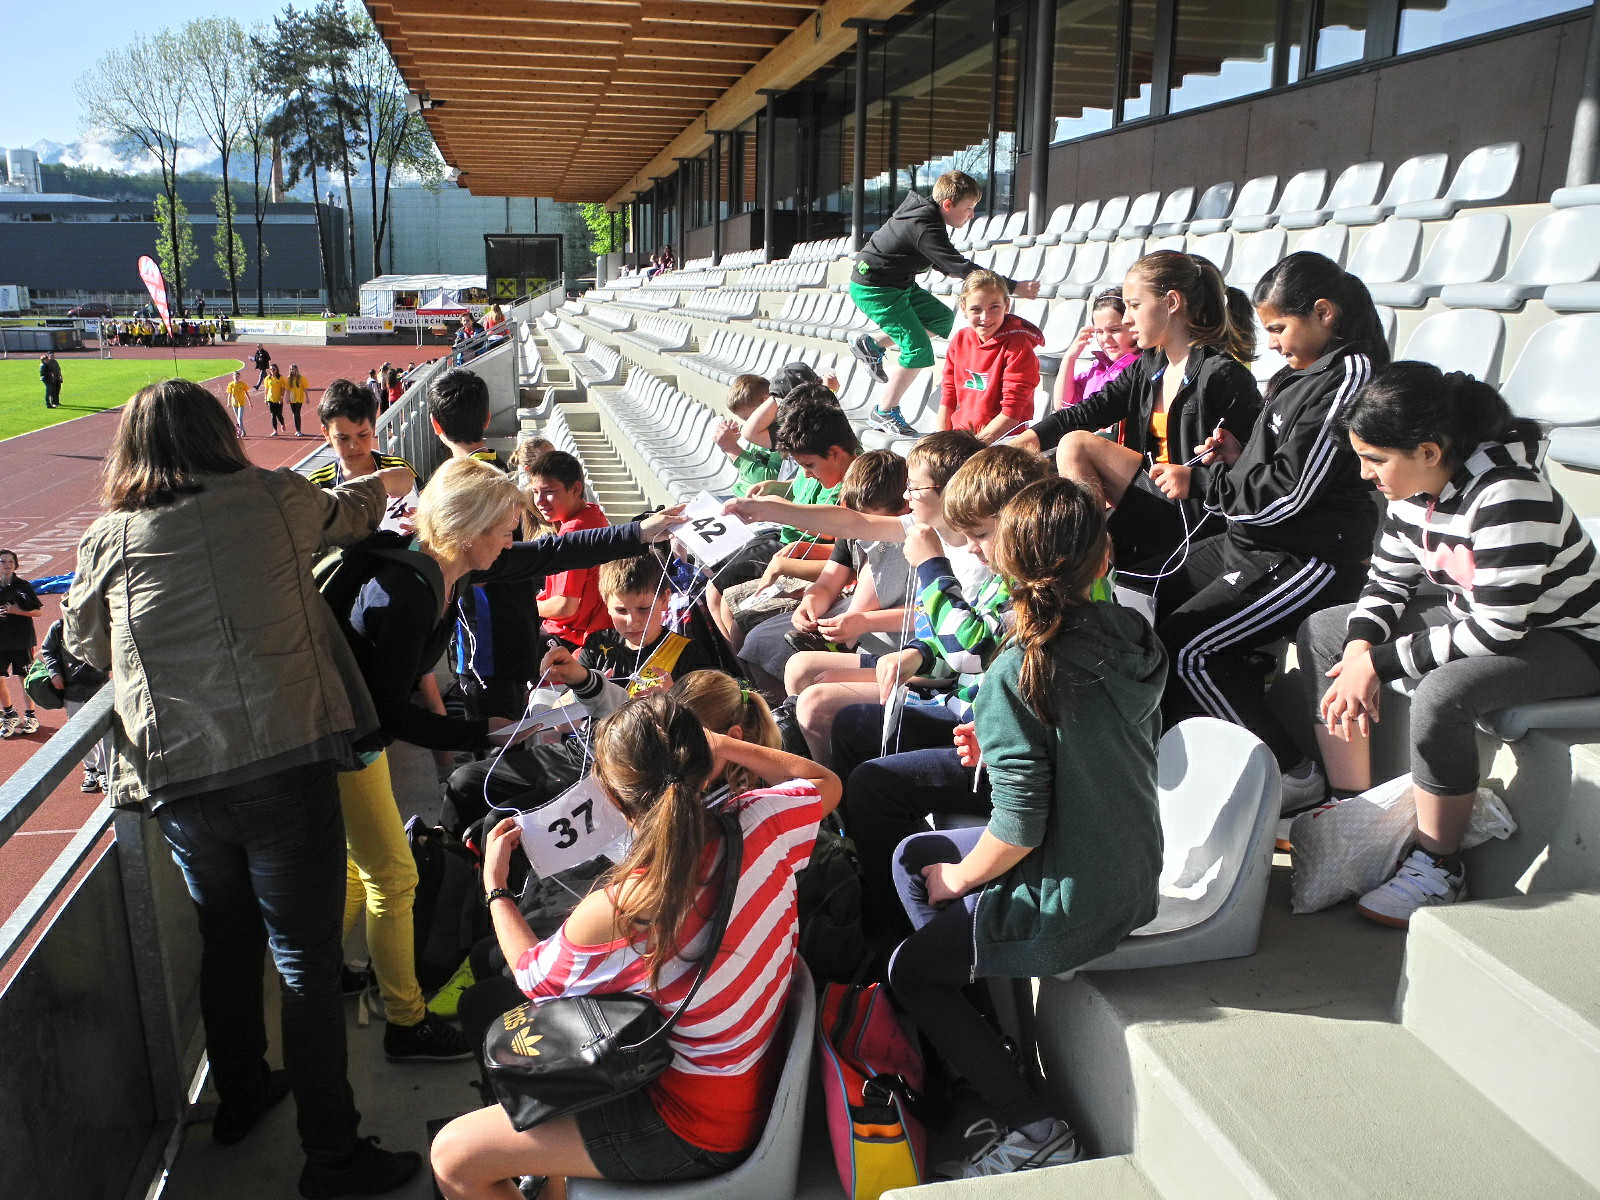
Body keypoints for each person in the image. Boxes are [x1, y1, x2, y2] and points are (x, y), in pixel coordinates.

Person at [61, 378, 422, 1198]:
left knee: (226, 940)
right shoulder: (274, 496)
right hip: (287, 759)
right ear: (220, 434)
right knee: (306, 963)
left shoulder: (108, 537)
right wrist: (386, 479)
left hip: (181, 779)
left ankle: (242, 1094)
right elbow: (354, 513)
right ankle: (332, 1156)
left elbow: (84, 646)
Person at [326, 457, 684, 1063]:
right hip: (347, 743)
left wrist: (641, 532)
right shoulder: (408, 595)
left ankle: (329, 966)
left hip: (351, 737)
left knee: (364, 865)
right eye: (504, 530)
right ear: (470, 531)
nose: (513, 541)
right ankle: (406, 1023)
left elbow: (550, 554)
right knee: (392, 878)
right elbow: (387, 714)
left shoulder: (453, 562)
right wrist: (482, 733)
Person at [428, 689, 840, 1200]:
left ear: (614, 799)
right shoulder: (764, 820)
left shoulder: (623, 907)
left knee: (453, 1156)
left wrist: (495, 887)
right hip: (752, 1078)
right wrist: (725, 746)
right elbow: (826, 783)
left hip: (697, 1128)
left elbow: (532, 977)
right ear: (703, 763)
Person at [886, 475, 1163, 1179]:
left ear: (1004, 564)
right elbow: (1089, 745)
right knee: (913, 855)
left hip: (1076, 898)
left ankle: (1030, 1123)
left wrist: (957, 880)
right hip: (1132, 872)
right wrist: (1003, 742)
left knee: (911, 970)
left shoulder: (1020, 670)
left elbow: (1018, 830)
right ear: (1104, 560)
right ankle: (991, 1038)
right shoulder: (1131, 635)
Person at [1299, 363, 1600, 928]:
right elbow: (1386, 584)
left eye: (1375, 459)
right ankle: (1354, 811)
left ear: (1429, 452)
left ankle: (1439, 864)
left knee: (1443, 693)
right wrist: (1360, 649)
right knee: (1326, 632)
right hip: (1487, 618)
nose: (1365, 473)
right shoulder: (1413, 491)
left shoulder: (1510, 495)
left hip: (1570, 639)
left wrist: (1378, 664)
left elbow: (1498, 629)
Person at [1153, 251, 1388, 797]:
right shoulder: (1300, 373)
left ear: (1324, 313)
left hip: (1305, 557)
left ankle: (1291, 774)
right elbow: (1281, 465)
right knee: (1145, 596)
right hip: (1250, 541)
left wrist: (1201, 483)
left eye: (1280, 328)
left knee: (1188, 651)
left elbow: (1291, 495)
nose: (1274, 344)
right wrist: (1238, 456)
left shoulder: (1348, 376)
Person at [440, 552, 721, 842]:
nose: (632, 621)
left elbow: (707, 730)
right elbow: (562, 723)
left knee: (501, 821)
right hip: (578, 753)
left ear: (664, 600)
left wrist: (673, 701)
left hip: (627, 769)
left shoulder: (688, 653)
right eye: (621, 610)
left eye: (643, 609)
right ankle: (441, 853)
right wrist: (577, 692)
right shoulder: (599, 643)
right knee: (463, 781)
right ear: (605, 603)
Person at [1012, 249, 1260, 575]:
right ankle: (1091, 556)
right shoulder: (1149, 365)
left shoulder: (1225, 376)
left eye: (1134, 305)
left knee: (1076, 445)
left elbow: (1253, 470)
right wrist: (1020, 444)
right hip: (1156, 499)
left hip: (1197, 517)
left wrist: (1198, 480)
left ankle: (1089, 563)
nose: (1127, 318)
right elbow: (1088, 411)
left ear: (1172, 302)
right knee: (1055, 457)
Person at [849, 171, 1041, 438]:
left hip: (897, 284)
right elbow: (958, 266)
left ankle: (873, 344)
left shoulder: (927, 217)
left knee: (941, 318)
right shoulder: (924, 226)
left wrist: (946, 266)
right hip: (877, 289)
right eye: (968, 208)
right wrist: (1014, 287)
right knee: (918, 351)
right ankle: (884, 411)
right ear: (948, 204)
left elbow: (934, 256)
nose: (971, 215)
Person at [736, 450, 912, 699]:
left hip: (892, 639)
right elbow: (828, 583)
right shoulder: (853, 533)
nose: (865, 529)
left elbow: (922, 614)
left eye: (871, 520)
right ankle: (774, 707)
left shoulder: (911, 541)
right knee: (757, 640)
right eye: (859, 518)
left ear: (904, 510)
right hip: (848, 621)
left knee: (798, 668)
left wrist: (862, 622)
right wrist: (810, 604)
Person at [430, 369, 543, 720]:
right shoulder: (502, 474)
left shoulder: (462, 488)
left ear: (435, 425)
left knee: (494, 736)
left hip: (485, 645)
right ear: (487, 419)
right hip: (518, 628)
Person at [708, 397, 857, 649]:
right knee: (726, 602)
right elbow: (843, 551)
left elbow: (849, 558)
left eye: (809, 465)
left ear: (834, 453)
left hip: (842, 590)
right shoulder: (835, 474)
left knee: (749, 633)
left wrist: (776, 515)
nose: (806, 473)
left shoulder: (859, 491)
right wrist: (799, 549)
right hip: (809, 561)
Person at [938, 269, 1043, 444]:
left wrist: (973, 448)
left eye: (994, 307)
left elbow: (1011, 414)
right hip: (963, 437)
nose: (985, 318)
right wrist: (940, 442)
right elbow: (949, 396)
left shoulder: (1019, 346)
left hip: (1004, 441)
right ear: (963, 308)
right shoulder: (960, 339)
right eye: (976, 309)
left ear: (1006, 306)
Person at [308, 380, 419, 533]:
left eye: (362, 435)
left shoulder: (397, 467)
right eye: (343, 438)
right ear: (326, 433)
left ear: (373, 428)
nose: (354, 446)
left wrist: (422, 523)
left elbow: (429, 513)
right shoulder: (317, 484)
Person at [528, 450, 612, 648]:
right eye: (535, 492)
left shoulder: (574, 531)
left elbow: (565, 606)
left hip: (573, 637)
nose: (539, 501)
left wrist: (525, 606)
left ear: (575, 489)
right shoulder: (592, 514)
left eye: (549, 492)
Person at [39, 618, 108, 790]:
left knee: (104, 731)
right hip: (73, 690)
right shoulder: (59, 626)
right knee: (80, 732)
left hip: (99, 688)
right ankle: (91, 769)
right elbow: (48, 649)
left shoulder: (98, 620)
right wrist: (54, 672)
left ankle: (105, 771)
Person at [1055, 287, 1140, 410]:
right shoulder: (1098, 368)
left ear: (1134, 326)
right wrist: (1069, 358)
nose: (1106, 338)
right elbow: (1062, 404)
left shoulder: (1142, 370)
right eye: (1099, 331)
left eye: (1115, 330)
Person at [0, 550, 42, 737]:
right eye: (3, 561)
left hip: (21, 640)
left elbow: (38, 612)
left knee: (25, 678)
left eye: (11, 561)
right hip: (1, 642)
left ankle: (31, 716)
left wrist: (16, 611)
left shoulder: (23, 586)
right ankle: (9, 714)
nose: (7, 565)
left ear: (16, 565)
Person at [264, 364, 288, 436]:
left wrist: (281, 397)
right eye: (271, 369)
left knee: (279, 414)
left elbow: (283, 388)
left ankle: (283, 424)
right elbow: (266, 389)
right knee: (273, 415)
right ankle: (275, 430)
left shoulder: (280, 378)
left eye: (274, 369)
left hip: (278, 399)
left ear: (277, 369)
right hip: (270, 399)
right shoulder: (268, 378)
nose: (272, 371)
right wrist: (265, 398)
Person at [226, 370, 251, 438]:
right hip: (234, 403)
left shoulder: (242, 384)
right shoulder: (231, 385)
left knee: (239, 418)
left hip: (241, 403)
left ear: (239, 377)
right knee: (238, 418)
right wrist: (228, 403)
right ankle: (243, 431)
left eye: (238, 376)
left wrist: (250, 402)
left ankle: (240, 431)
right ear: (233, 377)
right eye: (235, 376)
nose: (236, 378)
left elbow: (246, 393)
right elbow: (229, 395)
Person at [288, 365, 310, 437]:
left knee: (297, 413)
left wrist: (307, 397)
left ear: (296, 370)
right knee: (294, 414)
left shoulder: (301, 378)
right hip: (292, 398)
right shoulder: (289, 378)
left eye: (293, 369)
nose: (292, 371)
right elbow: (288, 389)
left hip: (299, 398)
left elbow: (305, 388)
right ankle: (297, 430)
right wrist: (287, 398)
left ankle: (299, 430)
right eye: (291, 369)